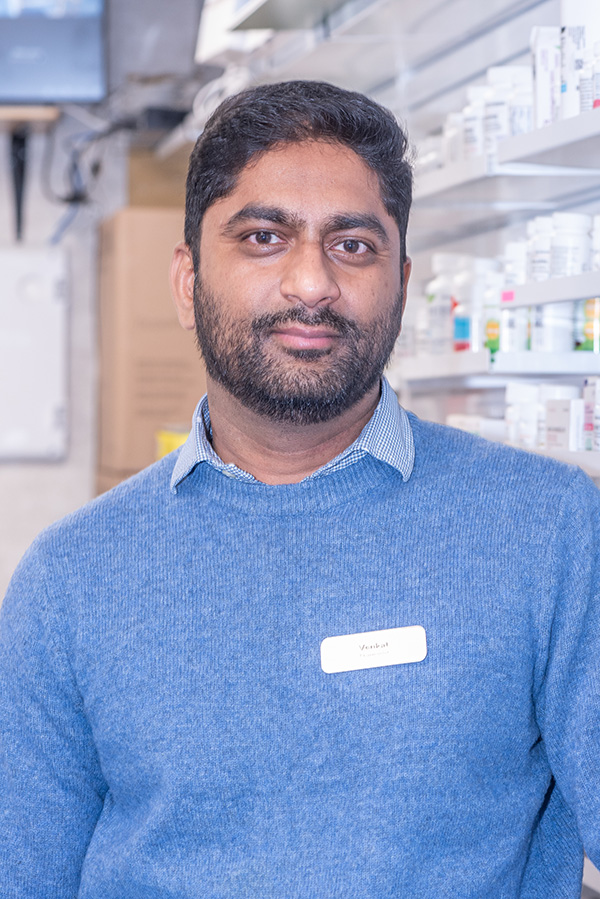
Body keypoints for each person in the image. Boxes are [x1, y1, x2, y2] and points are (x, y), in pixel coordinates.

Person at [1, 80, 599, 899]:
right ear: (186, 281)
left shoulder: (552, 530)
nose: (311, 282)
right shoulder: (69, 580)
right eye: (263, 237)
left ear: (400, 279)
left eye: (353, 245)